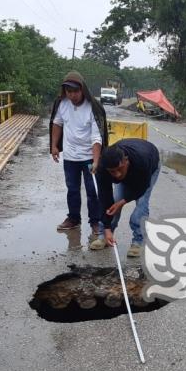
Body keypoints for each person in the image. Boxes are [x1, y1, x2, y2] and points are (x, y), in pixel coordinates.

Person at [49, 71, 109, 250]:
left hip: (89, 156)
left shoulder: (93, 107)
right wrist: (54, 146)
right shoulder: (62, 104)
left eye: (75, 92)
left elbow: (97, 137)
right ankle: (74, 218)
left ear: (82, 90)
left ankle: (95, 222)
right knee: (72, 189)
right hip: (70, 156)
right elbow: (57, 123)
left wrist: (97, 161)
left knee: (92, 191)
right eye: (68, 92)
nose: (72, 95)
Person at [96, 138, 160, 258]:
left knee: (141, 203)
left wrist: (123, 201)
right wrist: (107, 227)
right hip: (131, 164)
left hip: (150, 167)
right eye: (112, 172)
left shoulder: (142, 161)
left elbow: (141, 188)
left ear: (126, 160)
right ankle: (104, 235)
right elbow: (104, 197)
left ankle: (138, 241)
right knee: (114, 201)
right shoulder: (103, 168)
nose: (118, 175)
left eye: (120, 169)